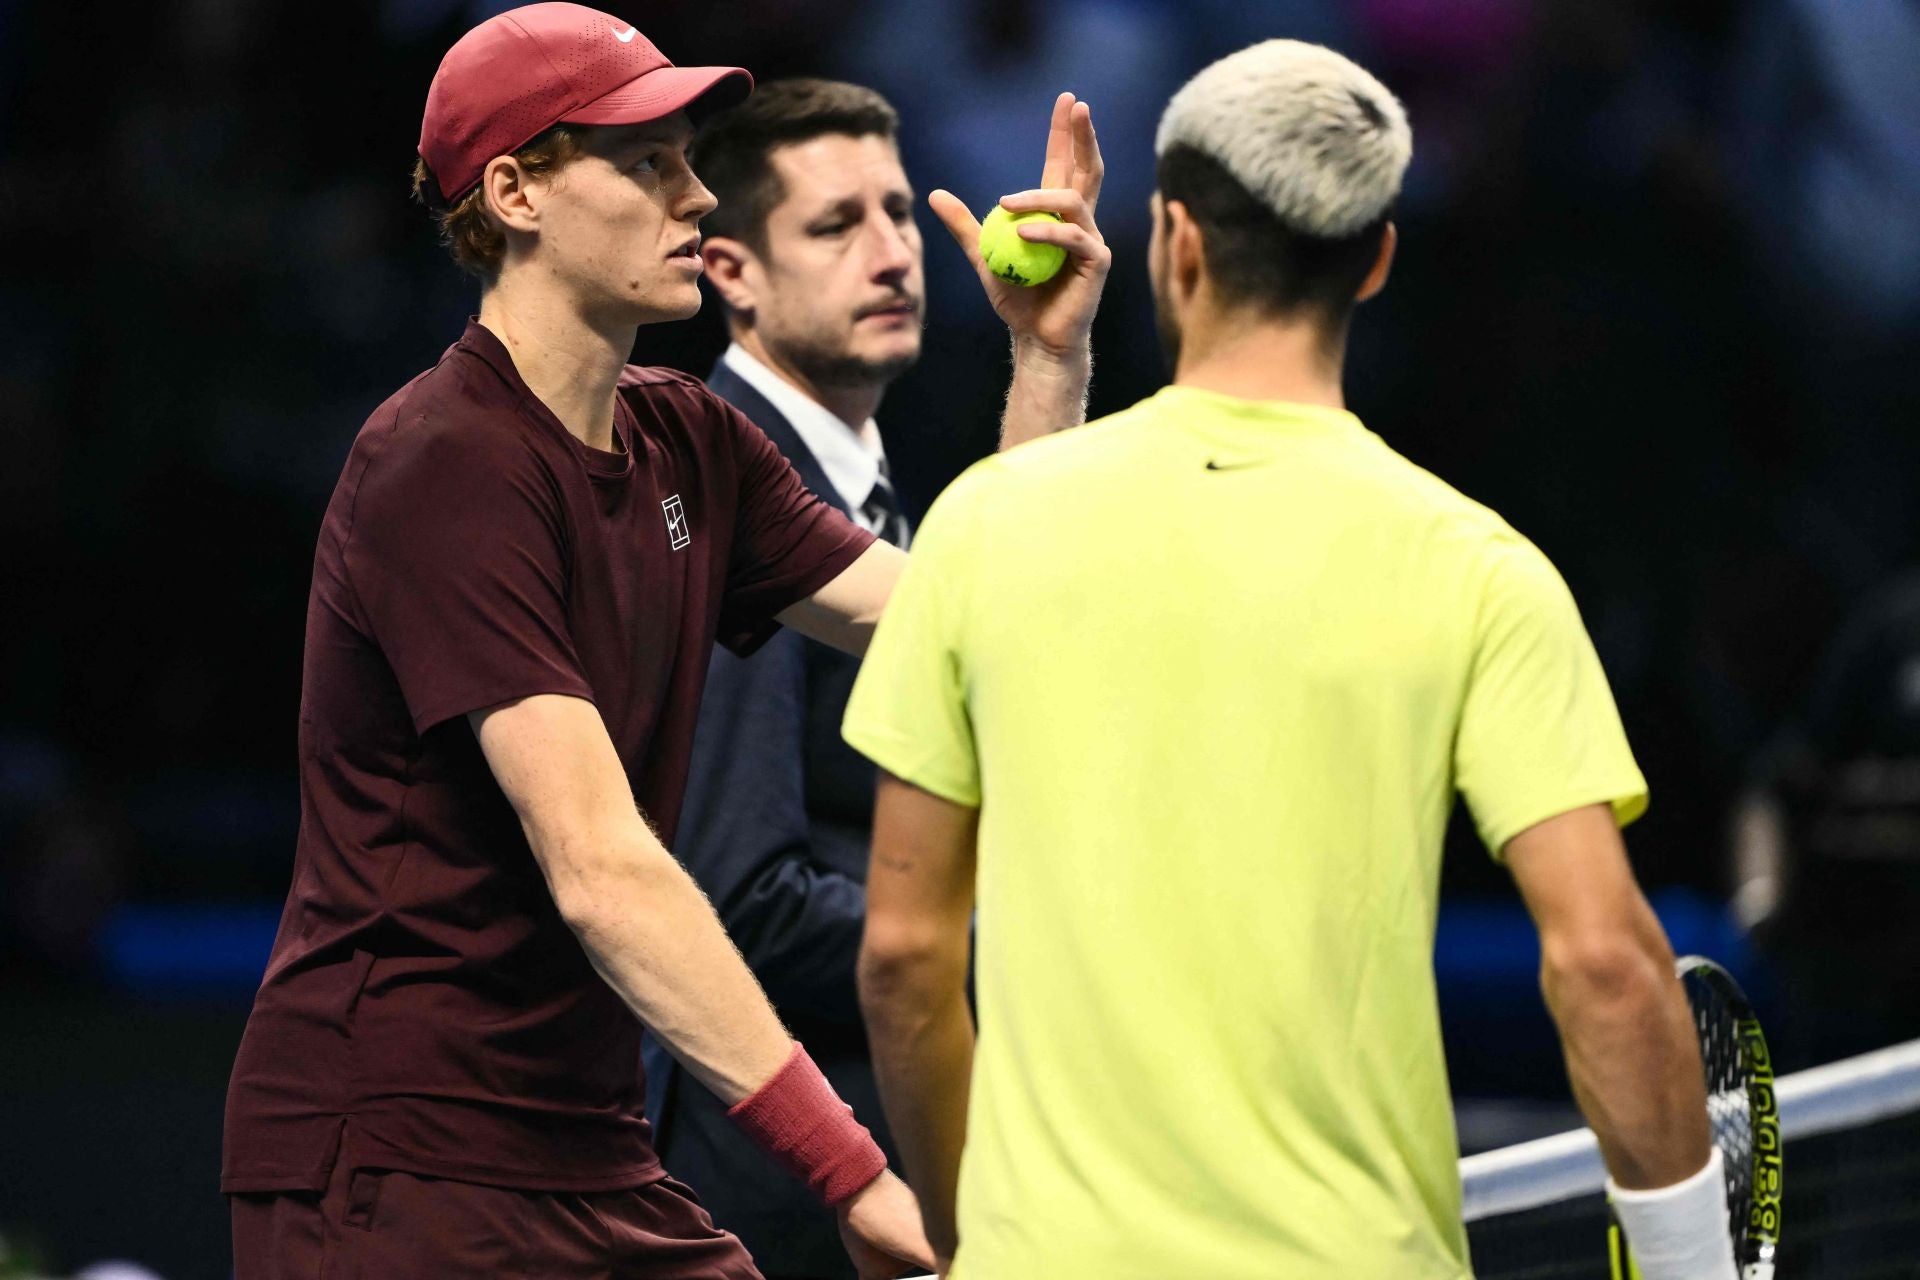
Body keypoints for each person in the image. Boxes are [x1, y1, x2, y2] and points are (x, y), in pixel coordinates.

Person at [218, 4, 1109, 1277]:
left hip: (590, 1138)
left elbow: (981, 629)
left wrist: (1046, 357)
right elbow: (602, 867)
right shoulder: (443, 462)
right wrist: (852, 1171)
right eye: (647, 162)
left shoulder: (691, 435)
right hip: (394, 1154)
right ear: (516, 192)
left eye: (689, 156)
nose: (696, 193)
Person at [846, 39, 1738, 1280]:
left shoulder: (987, 526)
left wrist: (966, 1238)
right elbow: (1604, 960)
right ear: (1375, 260)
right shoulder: (1478, 566)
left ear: (1175, 241)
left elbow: (902, 959)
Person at [640, 79, 928, 1279]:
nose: (892, 253)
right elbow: (737, 892)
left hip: (862, 1138)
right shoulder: (717, 484)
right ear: (731, 272)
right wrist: (1009, 954)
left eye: (900, 211)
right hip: (777, 1188)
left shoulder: (855, 484)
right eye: (834, 224)